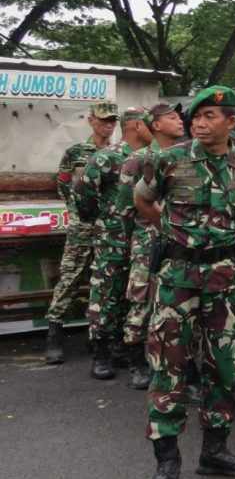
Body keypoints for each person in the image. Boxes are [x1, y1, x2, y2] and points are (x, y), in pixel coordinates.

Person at [134, 86, 235, 479]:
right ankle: (168, 462)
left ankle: (215, 452)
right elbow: (143, 202)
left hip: (225, 280)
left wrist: (221, 243)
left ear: (231, 121)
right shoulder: (168, 160)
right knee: (168, 366)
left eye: (210, 115)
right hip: (177, 278)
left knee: (223, 365)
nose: (199, 122)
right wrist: (177, 236)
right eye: (196, 115)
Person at [74, 106, 153, 380]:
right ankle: (101, 353)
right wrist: (104, 220)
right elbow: (83, 194)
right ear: (136, 126)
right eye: (150, 122)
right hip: (112, 239)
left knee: (136, 297)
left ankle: (127, 348)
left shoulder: (155, 157)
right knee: (106, 295)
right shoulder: (107, 157)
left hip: (144, 239)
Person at [43, 101, 118, 364]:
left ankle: (98, 336)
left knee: (106, 282)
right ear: (91, 121)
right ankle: (54, 335)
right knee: (69, 279)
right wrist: (78, 214)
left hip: (110, 228)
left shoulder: (120, 154)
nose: (108, 125)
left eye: (112, 121)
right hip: (82, 227)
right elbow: (64, 186)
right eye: (104, 120)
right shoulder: (75, 152)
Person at [118, 101, 185, 391]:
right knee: (142, 299)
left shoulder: (186, 156)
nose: (180, 121)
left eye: (179, 116)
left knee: (174, 301)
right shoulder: (139, 159)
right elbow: (125, 206)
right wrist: (138, 235)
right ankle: (135, 360)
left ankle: (174, 362)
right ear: (155, 125)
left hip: (178, 242)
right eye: (172, 117)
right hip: (148, 240)